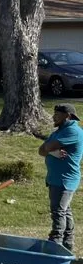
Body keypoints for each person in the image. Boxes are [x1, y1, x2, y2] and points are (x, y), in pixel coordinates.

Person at [38, 103, 83, 252]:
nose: (53, 117)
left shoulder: (73, 131)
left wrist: (49, 148)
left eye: (57, 115)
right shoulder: (59, 131)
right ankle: (67, 246)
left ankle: (55, 244)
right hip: (56, 178)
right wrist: (52, 151)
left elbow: (47, 147)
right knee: (65, 211)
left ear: (68, 116)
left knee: (58, 212)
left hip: (65, 179)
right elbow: (41, 150)